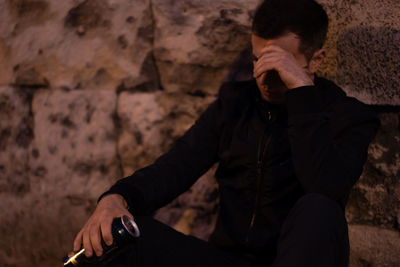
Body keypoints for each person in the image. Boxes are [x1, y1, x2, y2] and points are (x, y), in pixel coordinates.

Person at [72, 0, 380, 266]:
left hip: (292, 260)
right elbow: (175, 167)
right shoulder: (235, 103)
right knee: (123, 236)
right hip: (225, 261)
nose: (263, 75)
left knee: (319, 210)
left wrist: (300, 92)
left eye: (280, 63)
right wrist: (117, 197)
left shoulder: (347, 116)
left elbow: (325, 188)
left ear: (316, 60)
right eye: (258, 59)